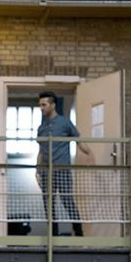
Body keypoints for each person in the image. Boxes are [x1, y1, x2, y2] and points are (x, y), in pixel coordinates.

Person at [36, 91, 93, 237]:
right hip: (46, 172)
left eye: (44, 105)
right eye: (39, 105)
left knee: (67, 200)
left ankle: (79, 234)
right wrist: (37, 171)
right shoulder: (41, 128)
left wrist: (89, 154)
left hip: (62, 170)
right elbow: (41, 151)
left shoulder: (65, 122)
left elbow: (78, 140)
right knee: (48, 204)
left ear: (53, 105)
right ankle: (53, 237)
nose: (41, 108)